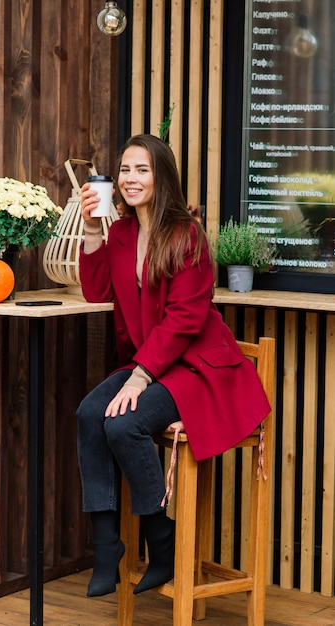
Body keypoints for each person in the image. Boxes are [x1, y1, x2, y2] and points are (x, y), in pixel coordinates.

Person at [76, 134, 271, 598]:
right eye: (124, 169)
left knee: (123, 426)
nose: (130, 178)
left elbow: (186, 319)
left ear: (162, 176)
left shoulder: (187, 234)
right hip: (151, 362)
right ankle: (107, 545)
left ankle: (161, 542)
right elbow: (97, 291)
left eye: (142, 169)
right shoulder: (121, 233)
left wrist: (140, 377)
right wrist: (90, 230)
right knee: (89, 413)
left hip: (194, 366)